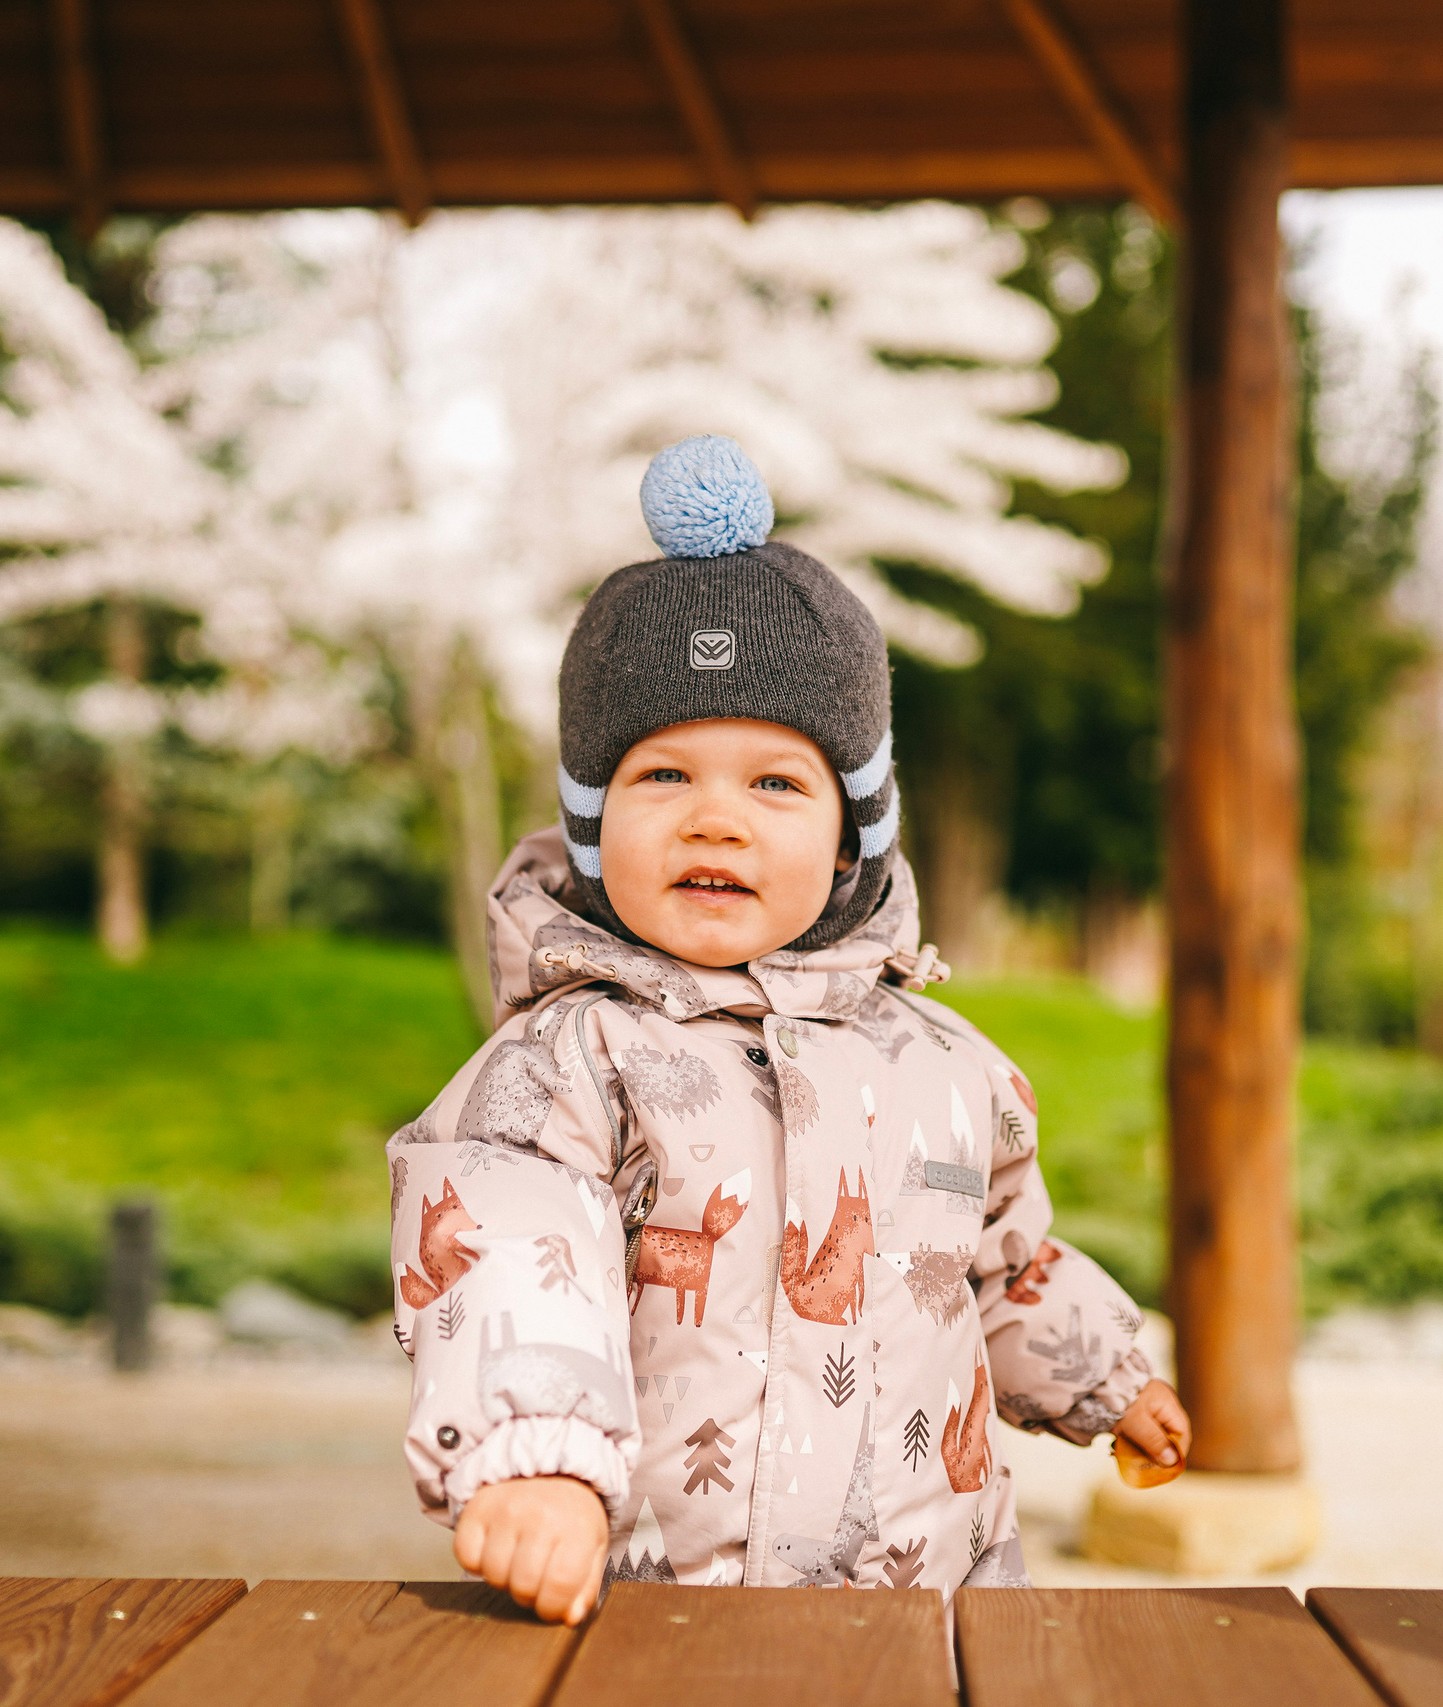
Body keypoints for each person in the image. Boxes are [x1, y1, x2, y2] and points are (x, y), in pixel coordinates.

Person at [388, 435, 1189, 1624]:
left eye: (775, 785)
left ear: (854, 833)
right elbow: (506, 1240)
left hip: (930, 1598)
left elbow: (995, 1263)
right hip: (665, 1616)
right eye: (663, 779)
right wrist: (542, 1459)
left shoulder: (946, 1066)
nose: (716, 821)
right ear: (597, 825)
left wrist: (1100, 1370)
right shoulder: (571, 1062)